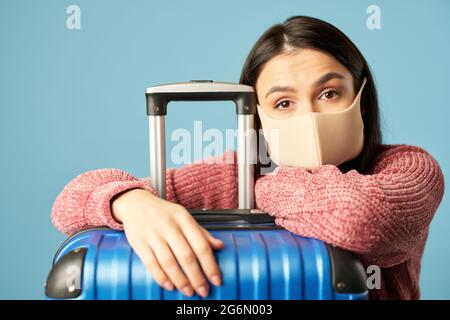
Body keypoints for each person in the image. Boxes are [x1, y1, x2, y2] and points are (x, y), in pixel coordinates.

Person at [51, 16, 445, 300]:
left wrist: (268, 186)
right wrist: (129, 202)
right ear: (256, 116)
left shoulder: (407, 168)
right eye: (284, 102)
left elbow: (361, 219)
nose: (309, 116)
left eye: (329, 94)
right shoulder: (233, 173)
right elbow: (70, 201)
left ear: (360, 96)